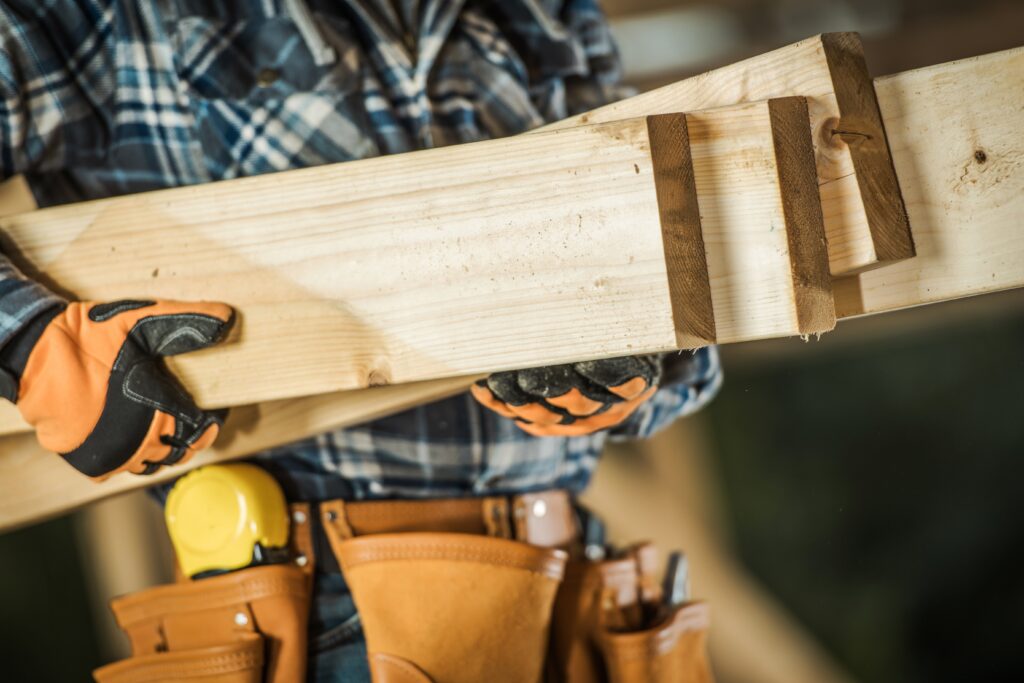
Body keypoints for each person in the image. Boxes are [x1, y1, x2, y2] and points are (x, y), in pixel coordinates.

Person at [0, 1, 721, 680]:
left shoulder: (543, 10)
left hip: (571, 585)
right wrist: (32, 346)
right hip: (310, 608)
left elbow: (665, 258)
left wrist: (640, 355)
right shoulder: (111, 15)